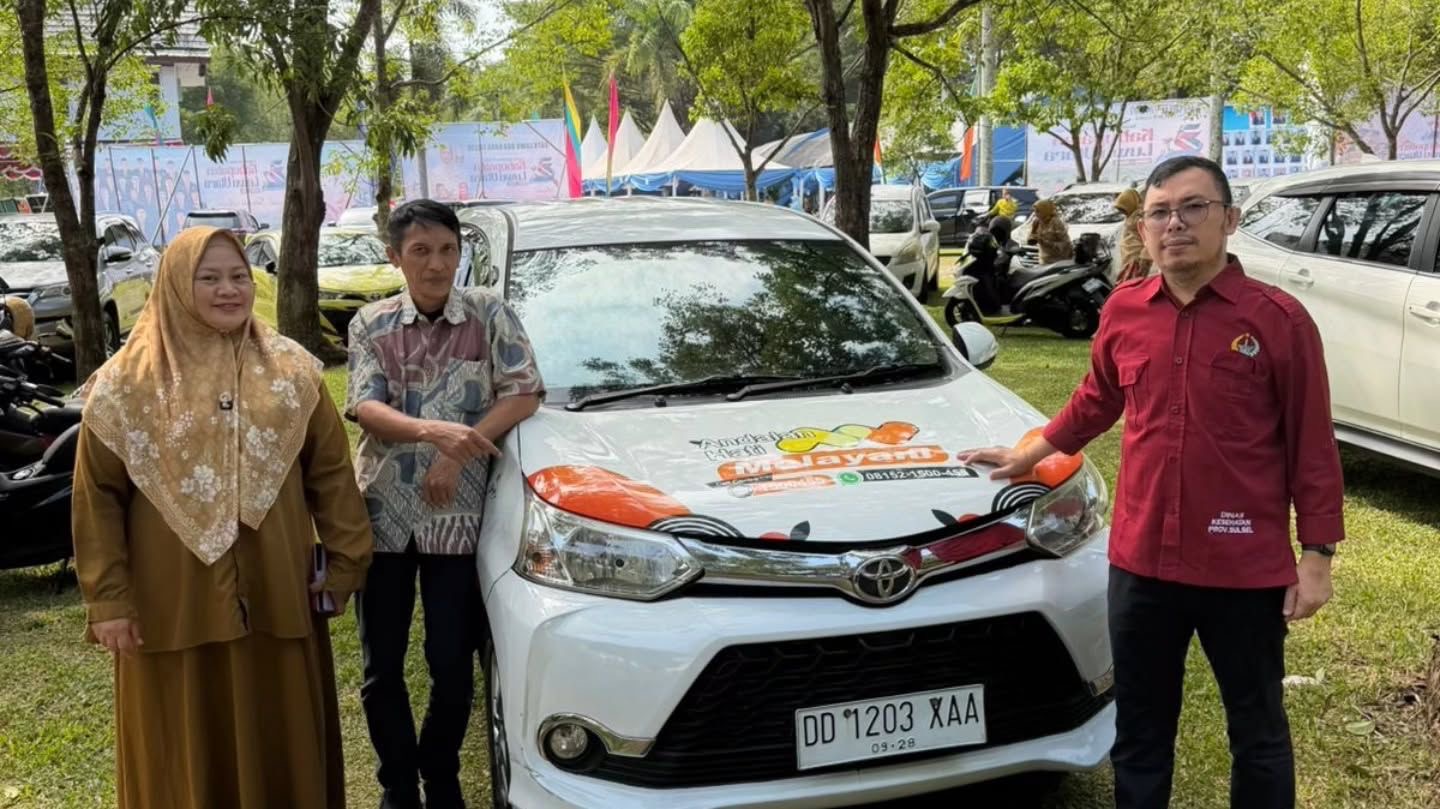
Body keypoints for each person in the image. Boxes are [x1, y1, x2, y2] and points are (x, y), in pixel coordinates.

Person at [962, 155, 1344, 809]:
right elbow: (1096, 399)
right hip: (1143, 567)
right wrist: (1032, 452)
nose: (1175, 224)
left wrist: (1317, 555)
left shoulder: (1279, 321)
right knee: (1140, 732)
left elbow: (1312, 442)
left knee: (1257, 732)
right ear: (1142, 229)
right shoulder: (1125, 311)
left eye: (1194, 207)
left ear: (1230, 219)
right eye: (1159, 212)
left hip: (1242, 566)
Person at [71, 226, 375, 809]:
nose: (228, 290)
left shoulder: (293, 373)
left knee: (278, 727)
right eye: (208, 278)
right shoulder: (124, 385)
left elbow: (332, 474)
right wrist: (108, 601)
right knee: (181, 742)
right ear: (175, 286)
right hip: (171, 604)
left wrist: (345, 565)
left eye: (239, 276)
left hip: (276, 591)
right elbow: (97, 498)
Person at [346, 200, 544, 809]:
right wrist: (434, 433)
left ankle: (442, 772)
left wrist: (458, 452)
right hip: (383, 515)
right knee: (382, 667)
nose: (436, 265)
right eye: (421, 251)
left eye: (447, 250)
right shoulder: (371, 323)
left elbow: (524, 391)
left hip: (460, 517)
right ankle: (397, 785)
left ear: (461, 253)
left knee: (453, 662)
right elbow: (365, 406)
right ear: (395, 257)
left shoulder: (488, 312)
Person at [1113, 187, 1153, 284]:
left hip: (1137, 257)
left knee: (1134, 283)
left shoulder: (1141, 217)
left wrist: (1145, 256)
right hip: (1129, 256)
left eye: (1124, 208)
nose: (1123, 212)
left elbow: (1149, 238)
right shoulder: (1131, 215)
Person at [1028, 199, 1074, 265]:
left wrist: (1043, 241)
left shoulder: (1056, 222)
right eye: (1034, 211)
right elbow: (1031, 238)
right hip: (1044, 259)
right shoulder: (1037, 222)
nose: (1035, 214)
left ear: (1045, 210)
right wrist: (1032, 236)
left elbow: (1064, 244)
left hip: (1058, 260)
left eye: (1038, 211)